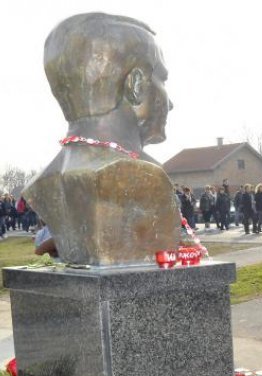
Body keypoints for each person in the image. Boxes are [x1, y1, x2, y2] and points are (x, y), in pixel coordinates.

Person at [21, 13, 181, 265]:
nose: (170, 103)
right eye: (161, 78)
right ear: (136, 84)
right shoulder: (136, 176)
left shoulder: (46, 180)